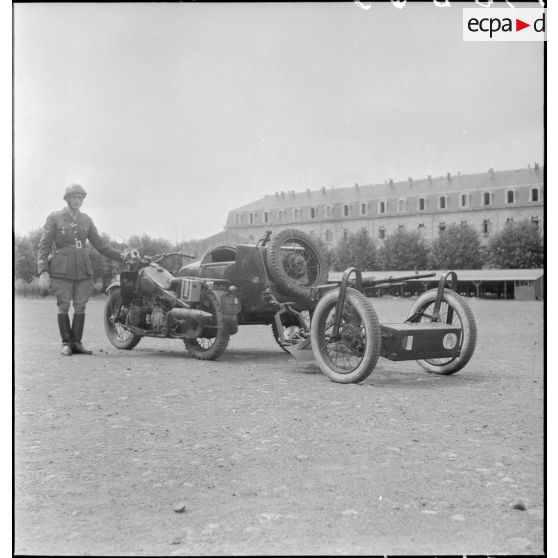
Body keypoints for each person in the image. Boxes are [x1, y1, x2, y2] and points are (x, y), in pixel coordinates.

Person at [37, 184, 128, 356]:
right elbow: (43, 246)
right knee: (63, 305)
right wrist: (43, 271)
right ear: (67, 199)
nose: (78, 201)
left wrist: (122, 255)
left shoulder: (86, 220)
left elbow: (101, 246)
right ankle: (66, 343)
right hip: (61, 269)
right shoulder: (55, 218)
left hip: (83, 270)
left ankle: (77, 343)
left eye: (80, 198)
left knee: (80, 306)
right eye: (74, 197)